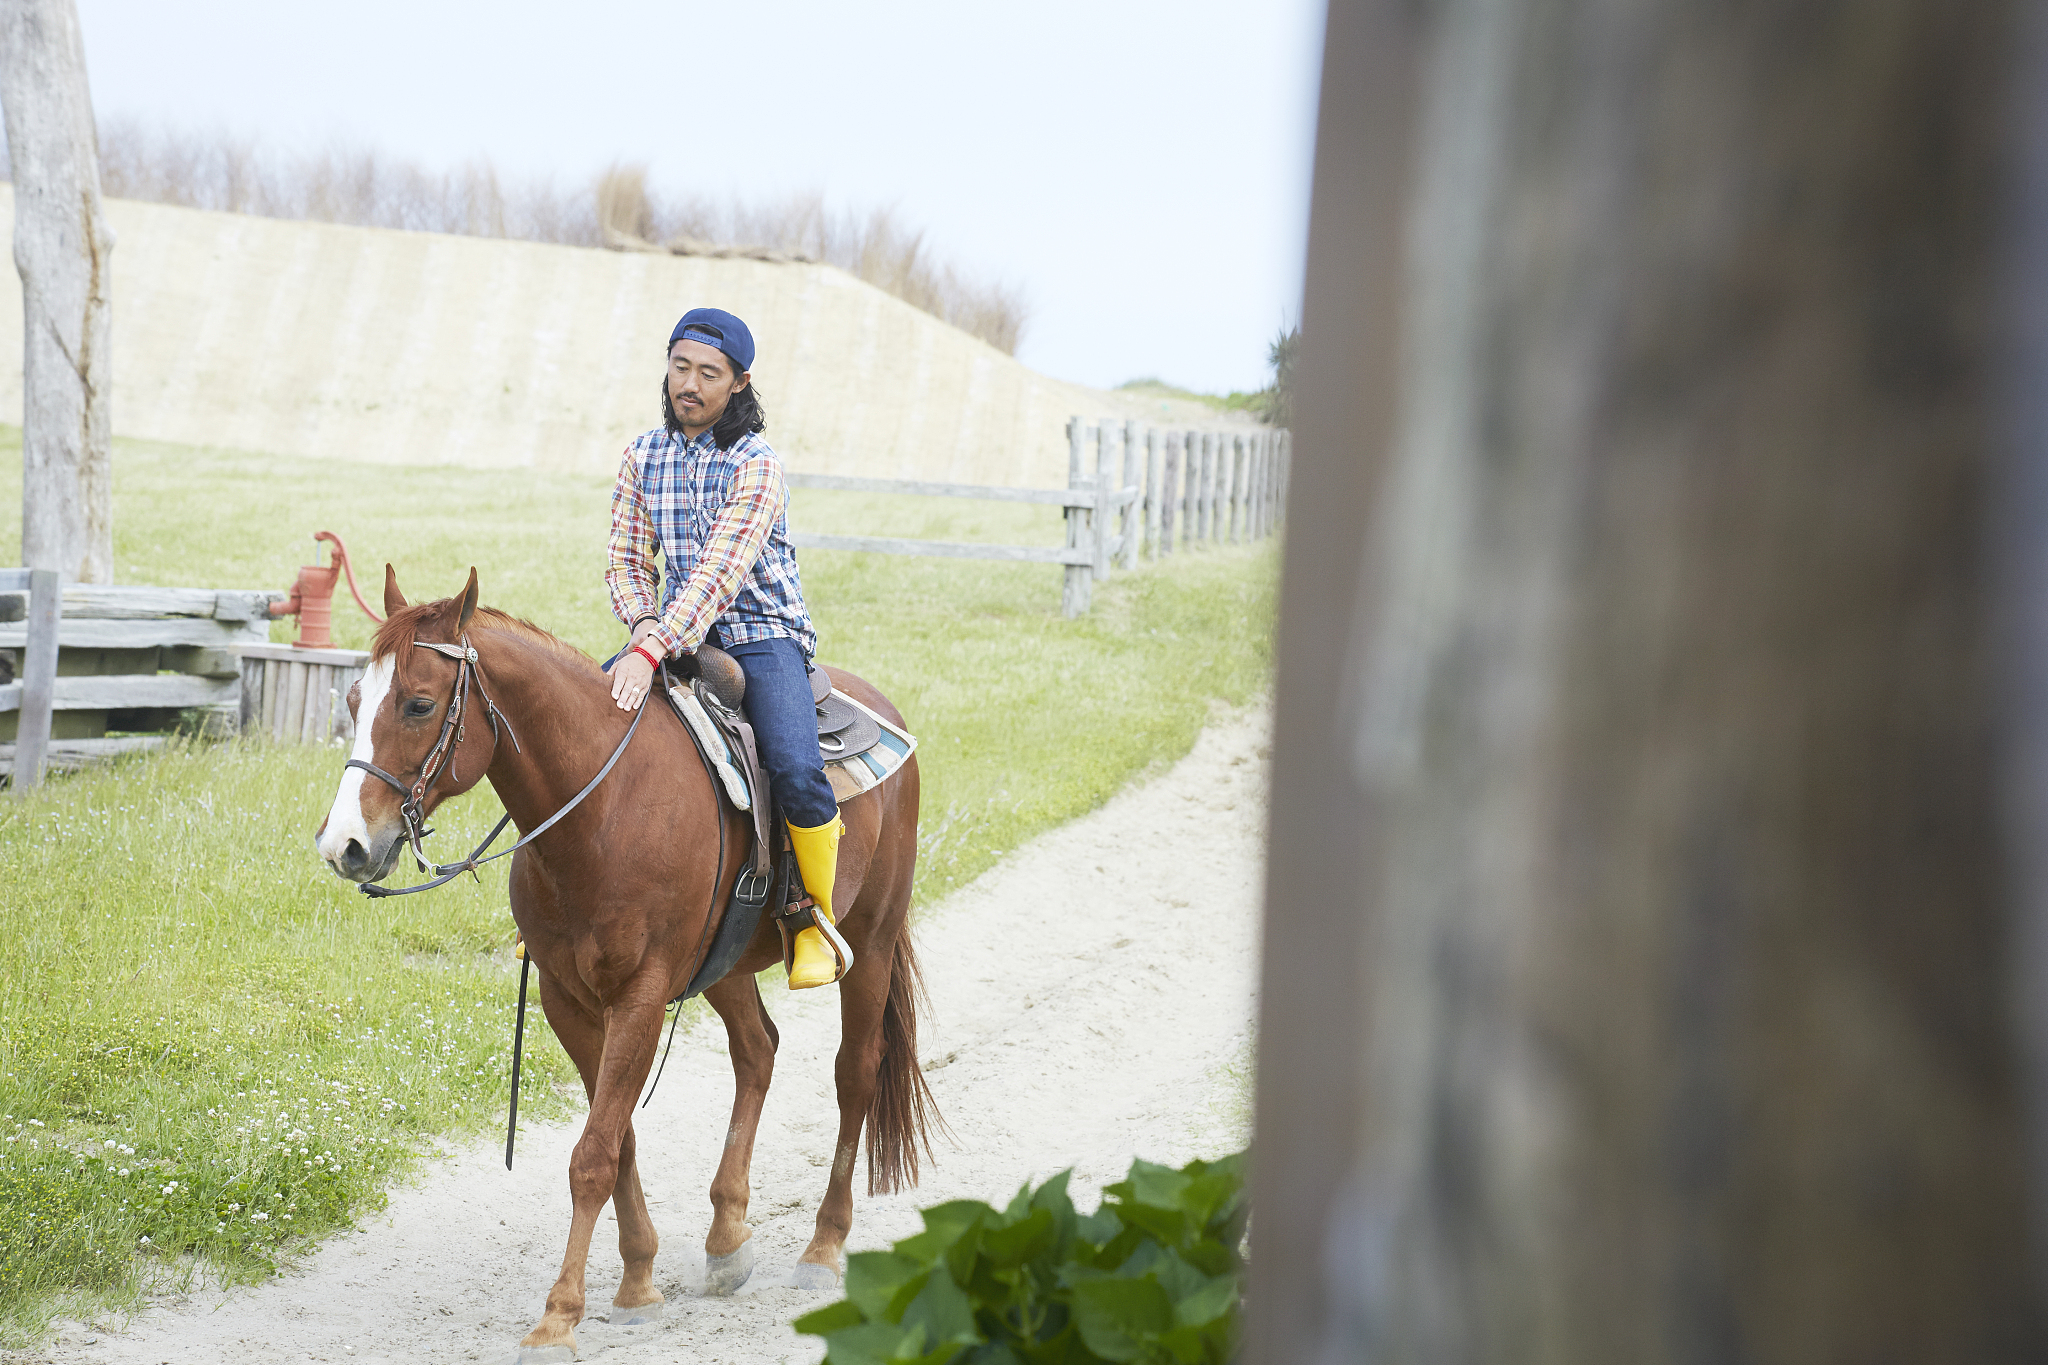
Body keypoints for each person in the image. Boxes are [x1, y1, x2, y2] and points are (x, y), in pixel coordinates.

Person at [601, 307, 850, 990]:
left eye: (708, 373)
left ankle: (810, 917)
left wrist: (654, 645)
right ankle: (567, 902)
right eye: (680, 367)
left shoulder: (756, 464)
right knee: (578, 729)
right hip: (670, 631)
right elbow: (626, 558)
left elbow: (719, 574)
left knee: (795, 767)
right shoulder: (641, 456)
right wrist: (642, 625)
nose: (690, 383)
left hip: (761, 631)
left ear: (739, 382)